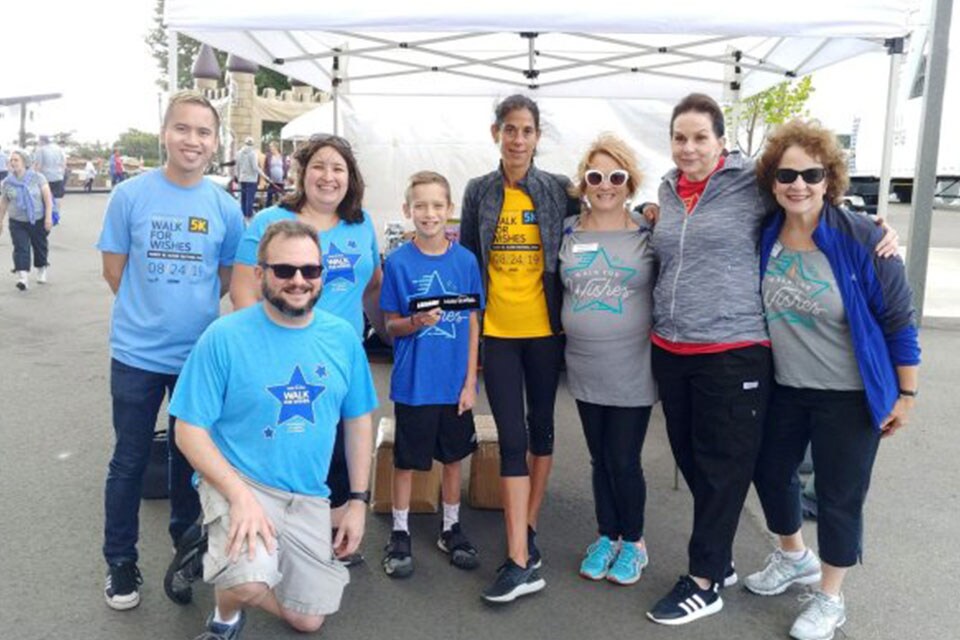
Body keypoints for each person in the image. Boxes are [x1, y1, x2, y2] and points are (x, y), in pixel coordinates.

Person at [644, 93, 899, 626]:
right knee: (694, 460)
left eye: (700, 137)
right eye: (680, 137)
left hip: (733, 351)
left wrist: (871, 227)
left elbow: (808, 198)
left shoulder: (749, 185)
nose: (689, 148)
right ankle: (731, 557)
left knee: (722, 466)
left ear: (721, 141)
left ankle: (706, 579)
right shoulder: (667, 192)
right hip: (672, 347)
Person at [743, 119, 920, 640]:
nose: (798, 184)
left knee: (840, 496)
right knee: (770, 473)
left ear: (829, 179)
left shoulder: (863, 239)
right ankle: (793, 555)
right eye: (786, 174)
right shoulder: (765, 232)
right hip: (787, 388)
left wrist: (906, 394)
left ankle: (830, 596)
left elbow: (898, 322)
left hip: (849, 394)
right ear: (772, 181)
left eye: (811, 174)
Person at [170, 220, 377, 640]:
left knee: (308, 620)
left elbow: (358, 421)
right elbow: (188, 431)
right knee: (249, 583)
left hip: (307, 494)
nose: (298, 281)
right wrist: (240, 496)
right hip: (238, 480)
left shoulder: (342, 339)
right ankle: (224, 615)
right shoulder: (223, 337)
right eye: (284, 270)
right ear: (260, 274)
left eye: (310, 270)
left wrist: (357, 500)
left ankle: (227, 552)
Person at [96, 90, 244, 611]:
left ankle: (185, 552)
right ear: (165, 133)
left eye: (204, 132)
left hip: (196, 359)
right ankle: (120, 561)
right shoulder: (130, 196)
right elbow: (114, 270)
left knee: (191, 463)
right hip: (135, 354)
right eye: (183, 129)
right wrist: (149, 313)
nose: (193, 140)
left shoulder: (225, 207)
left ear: (215, 142)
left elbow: (227, 277)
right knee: (129, 461)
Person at [230, 133, 383, 567]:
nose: (328, 176)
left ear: (350, 177)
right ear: (302, 172)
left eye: (338, 168)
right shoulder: (268, 221)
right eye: (319, 166)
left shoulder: (362, 223)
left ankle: (331, 542)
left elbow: (371, 287)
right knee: (283, 448)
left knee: (336, 453)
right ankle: (265, 537)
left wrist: (392, 331)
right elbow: (243, 293)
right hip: (280, 360)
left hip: (340, 360)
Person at [460, 94, 579, 603]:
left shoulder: (556, 189)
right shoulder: (479, 191)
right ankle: (518, 560)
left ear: (537, 137)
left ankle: (527, 527)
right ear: (496, 134)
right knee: (511, 437)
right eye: (509, 129)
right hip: (500, 334)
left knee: (542, 431)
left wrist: (649, 209)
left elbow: (601, 209)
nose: (517, 139)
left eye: (526, 130)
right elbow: (468, 260)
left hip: (545, 332)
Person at [559, 134, 656, 586]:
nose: (605, 185)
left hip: (633, 366)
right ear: (584, 181)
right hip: (584, 364)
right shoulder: (567, 232)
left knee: (623, 458)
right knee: (599, 457)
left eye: (615, 176)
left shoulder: (649, 233)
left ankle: (633, 541)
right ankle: (606, 535)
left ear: (629, 182)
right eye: (595, 176)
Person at [379, 171, 483, 579]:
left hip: (453, 385)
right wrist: (416, 321)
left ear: (450, 211)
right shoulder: (399, 262)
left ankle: (450, 527)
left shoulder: (466, 261)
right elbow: (390, 325)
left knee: (454, 459)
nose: (429, 213)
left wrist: (470, 381)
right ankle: (400, 531)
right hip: (414, 384)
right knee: (406, 462)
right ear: (407, 210)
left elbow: (473, 322)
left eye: (437, 205)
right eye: (420, 206)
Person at [0, 149, 54, 290]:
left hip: (37, 219)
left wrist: (48, 217)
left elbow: (48, 199)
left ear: (24, 162)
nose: (13, 162)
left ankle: (41, 268)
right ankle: (22, 277)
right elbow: (4, 202)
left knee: (39, 246)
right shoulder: (7, 182)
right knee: (20, 248)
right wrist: (0, 221)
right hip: (17, 221)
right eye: (11, 160)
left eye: (16, 160)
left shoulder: (38, 178)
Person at [34, 135, 66, 214]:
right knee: (58, 197)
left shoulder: (41, 150)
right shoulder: (59, 149)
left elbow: (38, 165)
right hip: (58, 176)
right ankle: (56, 214)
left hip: (45, 178)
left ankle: (46, 214)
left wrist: (35, 177)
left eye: (39, 141)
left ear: (42, 141)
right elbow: (64, 162)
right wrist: (62, 172)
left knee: (44, 197)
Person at [235, 136, 260, 219]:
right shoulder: (253, 153)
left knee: (243, 198)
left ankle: (242, 215)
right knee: (250, 198)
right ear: (252, 144)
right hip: (251, 179)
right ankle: (248, 215)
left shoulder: (239, 153)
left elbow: (237, 166)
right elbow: (255, 167)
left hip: (242, 178)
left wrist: (238, 177)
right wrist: (265, 176)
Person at [263, 141, 287, 207]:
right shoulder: (268, 156)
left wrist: (285, 177)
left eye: (271, 146)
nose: (270, 148)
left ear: (276, 147)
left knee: (281, 197)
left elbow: (285, 167)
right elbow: (265, 167)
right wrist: (267, 178)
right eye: (270, 146)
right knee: (269, 197)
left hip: (280, 180)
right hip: (271, 181)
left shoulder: (282, 156)